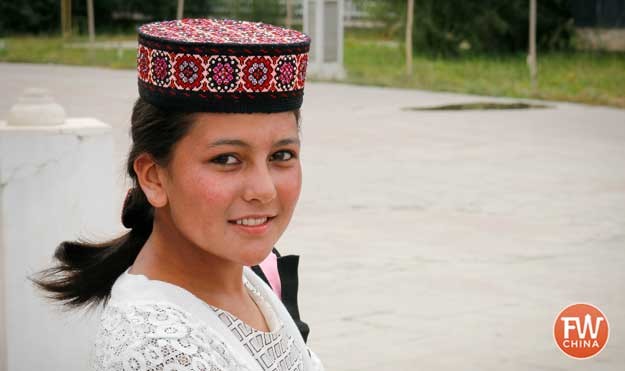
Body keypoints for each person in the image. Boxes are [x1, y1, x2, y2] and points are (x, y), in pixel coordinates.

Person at [31, 18, 321, 371]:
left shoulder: (245, 281)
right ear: (153, 177)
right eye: (227, 159)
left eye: (281, 156)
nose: (264, 189)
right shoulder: (160, 349)